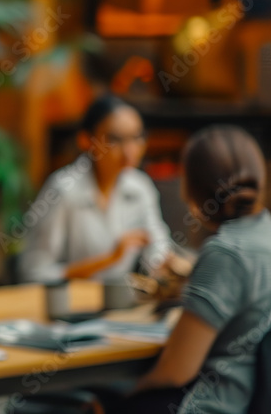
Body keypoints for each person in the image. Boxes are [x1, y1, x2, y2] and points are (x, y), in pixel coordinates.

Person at [101, 125, 271, 413]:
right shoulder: (264, 235)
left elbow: (177, 369)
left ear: (191, 190)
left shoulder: (224, 253)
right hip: (254, 401)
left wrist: (127, 393)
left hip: (211, 404)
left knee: (91, 397)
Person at [19, 94, 172, 283]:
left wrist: (163, 264)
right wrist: (109, 259)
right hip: (70, 306)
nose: (129, 150)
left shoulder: (140, 187)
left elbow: (158, 247)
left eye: (136, 137)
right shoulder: (63, 189)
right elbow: (34, 272)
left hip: (119, 303)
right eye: (115, 139)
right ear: (86, 141)